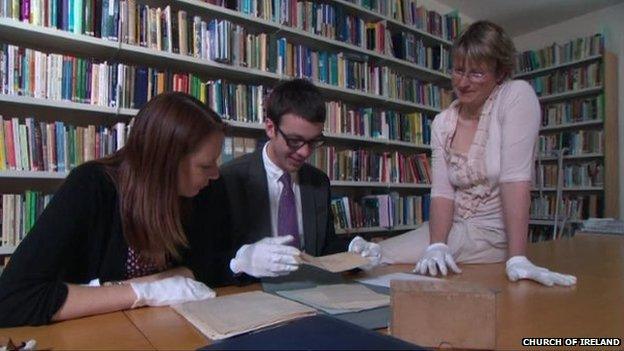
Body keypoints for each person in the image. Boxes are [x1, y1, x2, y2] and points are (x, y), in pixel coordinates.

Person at [351, 21, 577, 287]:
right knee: (373, 257)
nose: (463, 82)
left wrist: (517, 257)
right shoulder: (443, 122)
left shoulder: (516, 97)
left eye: (477, 74)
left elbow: (515, 180)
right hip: (451, 229)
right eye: (458, 71)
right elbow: (443, 192)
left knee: (383, 255)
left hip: (492, 236)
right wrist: (436, 244)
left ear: (500, 73)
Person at [0, 92, 233, 327]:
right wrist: (144, 292)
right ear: (165, 163)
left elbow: (211, 266)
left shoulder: (204, 191)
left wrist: (150, 285)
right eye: (205, 165)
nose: (215, 173)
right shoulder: (91, 186)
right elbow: (12, 299)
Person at [220, 78, 381, 278]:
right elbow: (210, 259)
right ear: (270, 128)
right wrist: (240, 260)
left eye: (313, 142)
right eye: (294, 141)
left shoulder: (319, 182)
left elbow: (323, 249)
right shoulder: (229, 179)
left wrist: (353, 250)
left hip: (312, 291)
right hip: (251, 296)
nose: (304, 152)